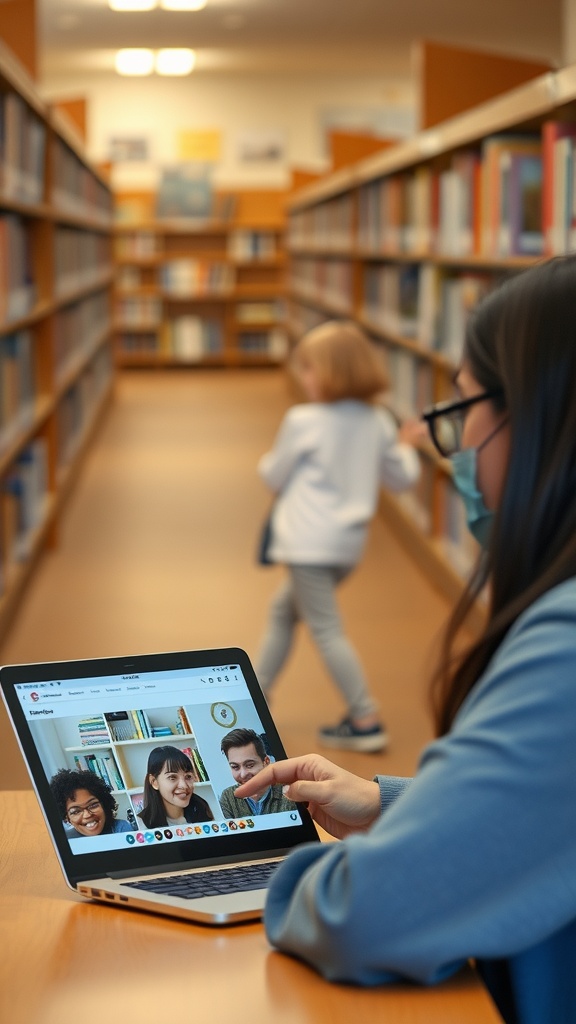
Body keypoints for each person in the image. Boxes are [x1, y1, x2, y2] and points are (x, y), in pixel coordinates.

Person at [235, 256, 576, 1024]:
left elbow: (367, 916)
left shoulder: (567, 647)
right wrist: (400, 807)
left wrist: (294, 874)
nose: (458, 453)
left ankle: (357, 705)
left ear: (544, 417)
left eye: (461, 413)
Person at [254, 319, 421, 753]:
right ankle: (256, 696)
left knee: (325, 629)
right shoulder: (378, 420)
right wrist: (408, 445)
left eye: (308, 368)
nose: (302, 377)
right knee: (283, 612)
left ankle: (365, 717)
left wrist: (267, 463)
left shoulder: (304, 419)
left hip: (308, 544)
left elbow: (273, 475)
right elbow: (401, 479)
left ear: (332, 372)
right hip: (346, 548)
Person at [219, 727, 296, 818]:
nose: (243, 774)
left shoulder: (289, 792)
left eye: (250, 765)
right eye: (235, 767)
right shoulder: (228, 797)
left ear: (266, 762)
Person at [137, 745, 214, 828]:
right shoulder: (142, 823)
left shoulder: (202, 807)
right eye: (172, 777)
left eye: (188, 777)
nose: (184, 785)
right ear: (154, 782)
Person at [50, 768, 134, 838]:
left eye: (93, 805)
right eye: (76, 811)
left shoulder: (121, 829)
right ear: (66, 818)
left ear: (103, 805)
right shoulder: (66, 841)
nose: (87, 815)